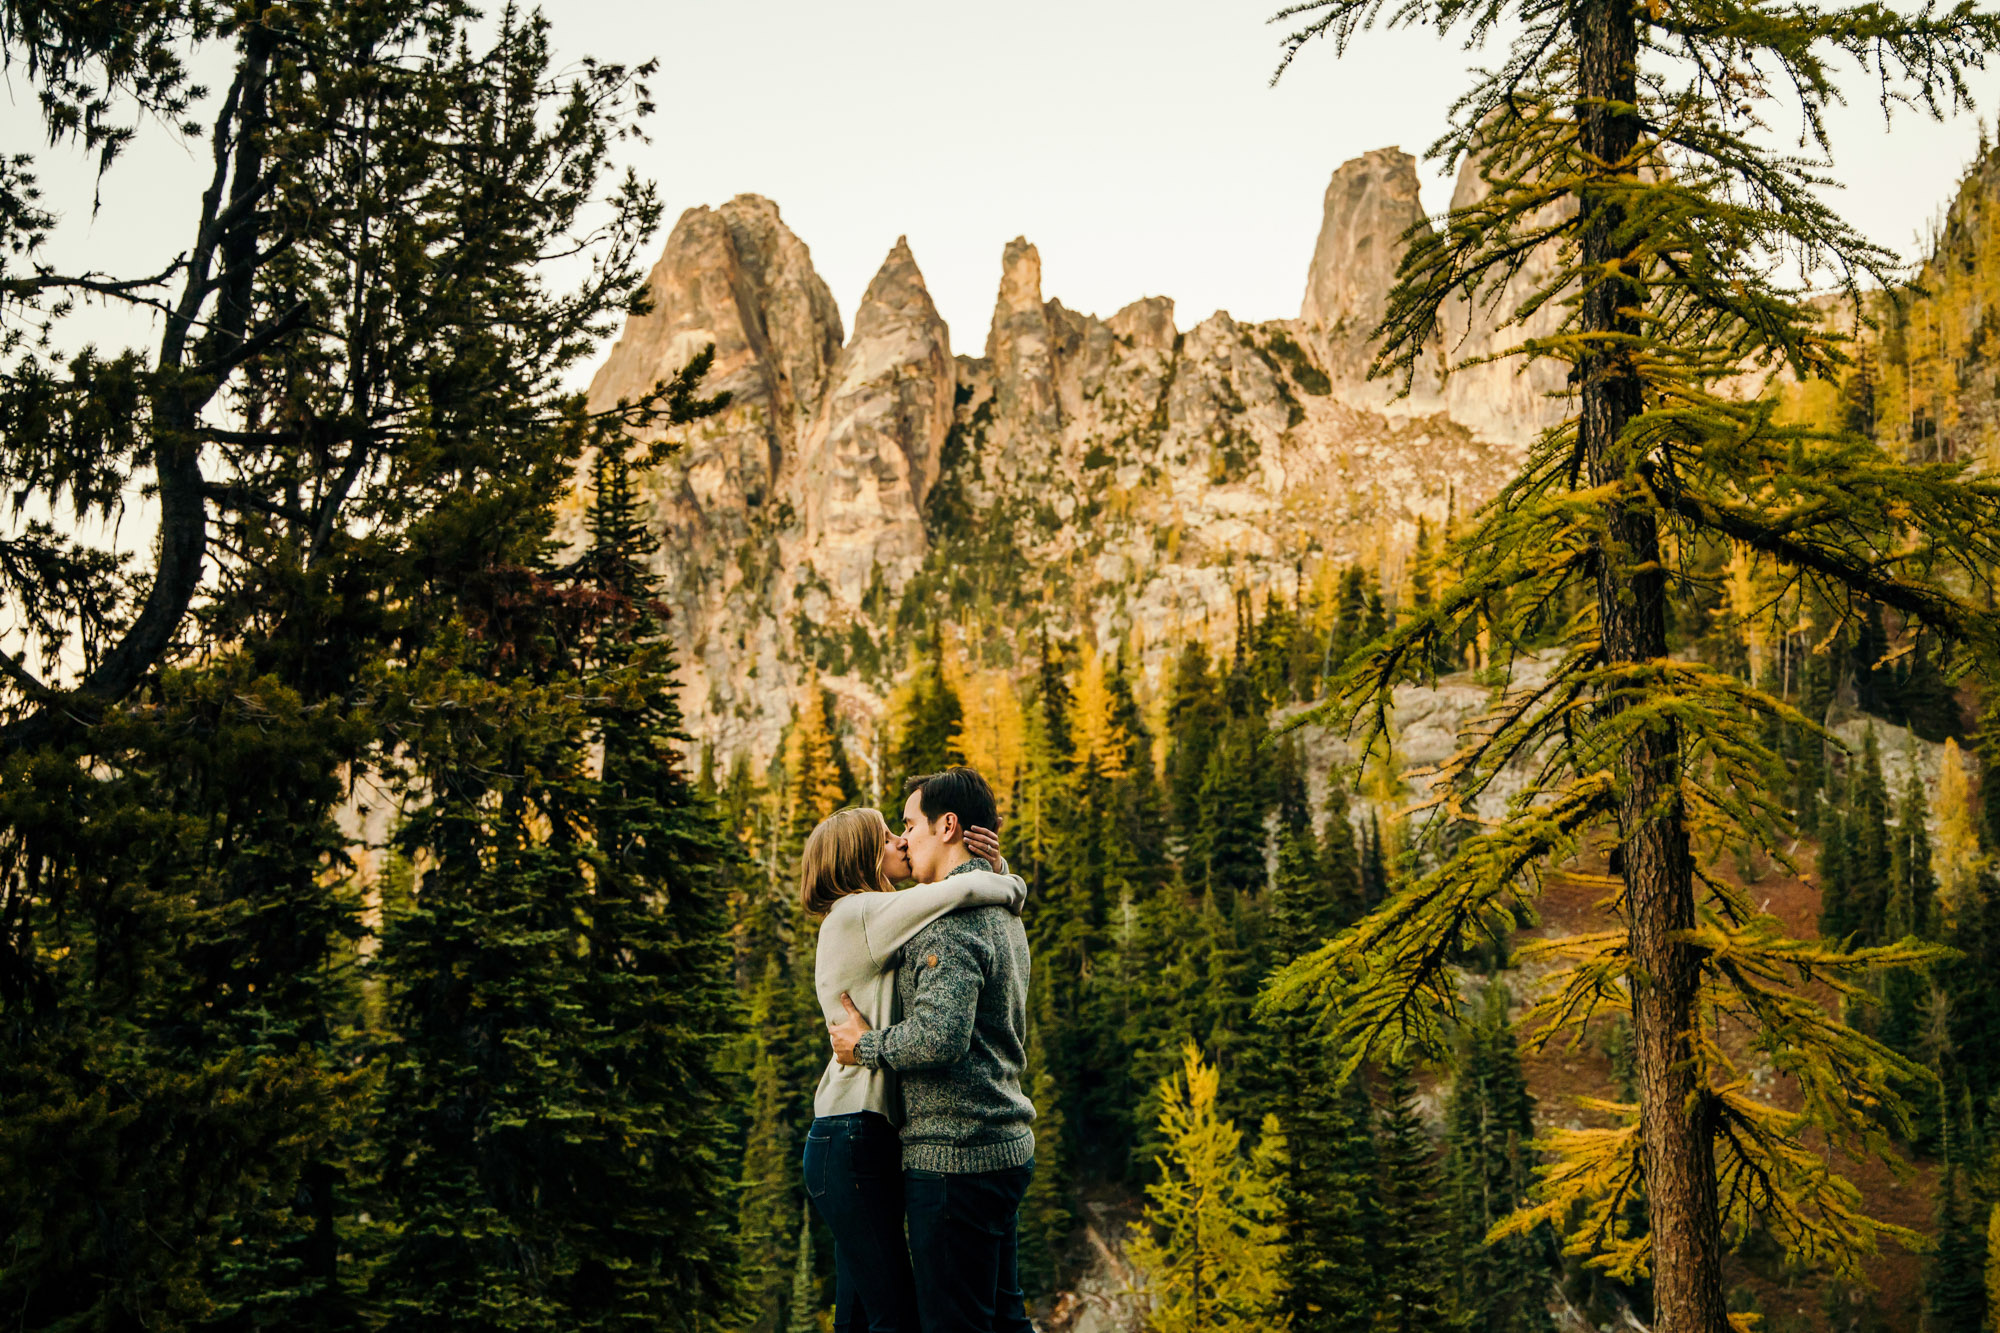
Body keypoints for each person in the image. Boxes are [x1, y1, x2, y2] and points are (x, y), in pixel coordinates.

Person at [800, 804, 1024, 1333]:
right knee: (895, 1318)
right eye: (885, 839)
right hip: (852, 1136)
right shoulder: (860, 913)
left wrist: (988, 866)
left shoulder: (877, 915)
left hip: (852, 1137)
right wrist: (1008, 881)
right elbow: (959, 892)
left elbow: (948, 899)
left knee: (861, 1315)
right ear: (859, 858)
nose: (900, 844)